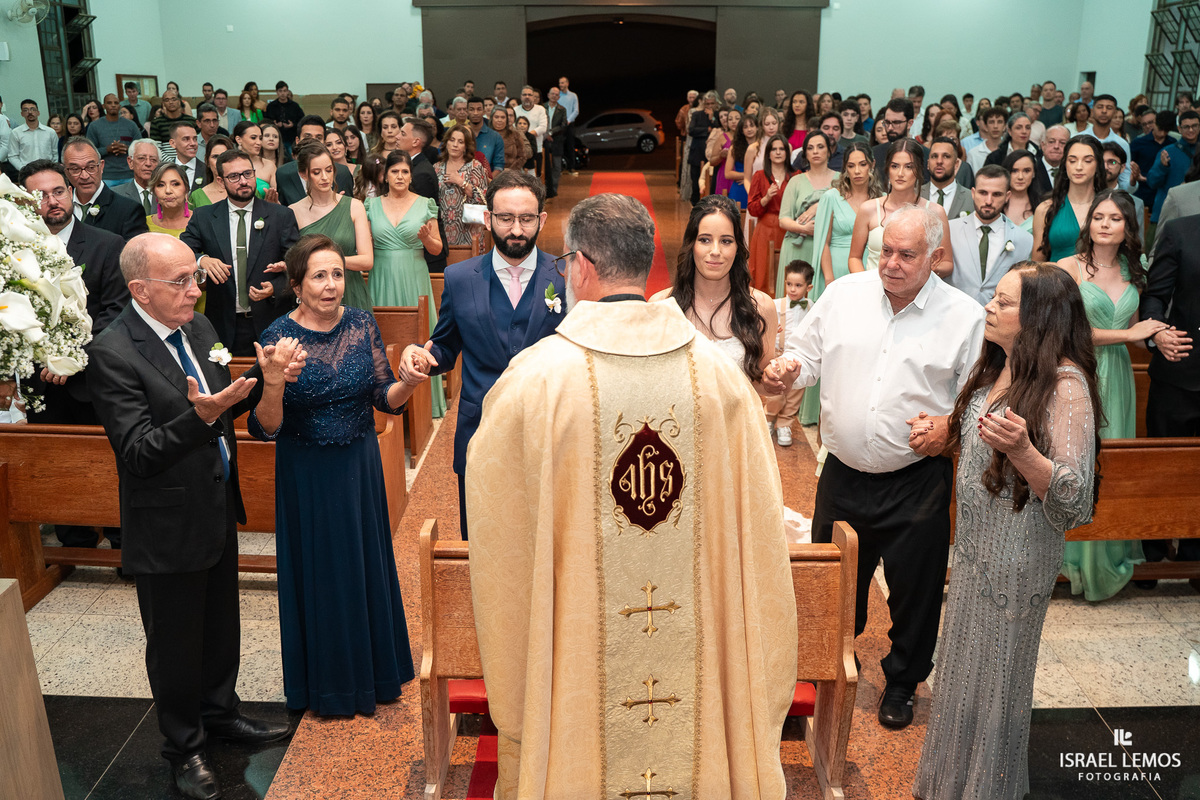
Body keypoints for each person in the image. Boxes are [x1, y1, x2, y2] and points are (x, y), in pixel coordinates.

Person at [464, 192, 797, 800]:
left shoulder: (536, 381)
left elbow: (497, 524)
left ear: (581, 267)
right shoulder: (719, 380)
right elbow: (758, 529)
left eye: (565, 264)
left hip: (578, 658)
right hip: (700, 660)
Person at [88, 233, 297, 800]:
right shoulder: (113, 351)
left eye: (194, 276)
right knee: (175, 641)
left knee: (219, 625)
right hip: (164, 520)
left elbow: (224, 400)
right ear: (139, 290)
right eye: (178, 281)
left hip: (214, 502)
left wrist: (268, 379)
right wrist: (202, 418)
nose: (194, 289)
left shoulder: (199, 329)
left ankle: (221, 714)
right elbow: (137, 452)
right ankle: (184, 747)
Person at [769, 204, 986, 730]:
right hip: (842, 475)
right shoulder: (846, 294)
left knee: (915, 592)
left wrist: (948, 429)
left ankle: (903, 682)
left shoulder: (964, 316)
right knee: (832, 583)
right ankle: (823, 672)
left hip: (916, 481)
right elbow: (809, 352)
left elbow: (976, 402)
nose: (890, 262)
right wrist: (792, 366)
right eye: (884, 249)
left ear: (935, 257)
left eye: (906, 254)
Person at [909, 261, 1099, 799]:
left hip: (1018, 558)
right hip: (972, 551)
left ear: (1039, 316)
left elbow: (1074, 500)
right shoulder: (998, 366)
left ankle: (988, 789)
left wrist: (1024, 452)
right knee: (962, 675)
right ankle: (950, 785)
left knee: (997, 684)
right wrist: (943, 430)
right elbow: (977, 435)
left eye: (1006, 301)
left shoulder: (1067, 386)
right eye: (995, 297)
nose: (990, 306)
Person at [247, 233, 416, 718]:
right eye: (319, 276)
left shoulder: (362, 323)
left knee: (364, 567)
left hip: (358, 466)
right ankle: (327, 685)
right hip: (308, 473)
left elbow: (384, 398)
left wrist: (409, 382)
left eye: (337, 274)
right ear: (296, 285)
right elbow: (264, 427)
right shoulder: (279, 337)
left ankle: (377, 674)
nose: (331, 284)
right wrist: (275, 383)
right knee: (321, 574)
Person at [397, 170, 563, 539]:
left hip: (548, 431)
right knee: (482, 541)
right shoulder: (460, 278)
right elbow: (445, 346)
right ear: (488, 218)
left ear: (541, 220)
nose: (516, 229)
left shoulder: (564, 275)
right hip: (479, 429)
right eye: (505, 218)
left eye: (526, 219)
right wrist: (421, 356)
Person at [1051, 190, 1157, 600]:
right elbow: (1066, 333)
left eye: (1114, 218)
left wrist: (1157, 337)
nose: (1105, 224)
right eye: (1098, 217)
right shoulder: (1068, 268)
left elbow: (1137, 328)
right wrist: (1129, 335)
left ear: (1129, 227)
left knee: (1112, 461)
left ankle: (1108, 549)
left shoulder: (1136, 270)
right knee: (1077, 459)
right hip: (1080, 373)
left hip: (1121, 377)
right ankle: (1073, 556)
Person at [651, 194, 777, 388]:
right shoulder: (661, 305)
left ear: (737, 248)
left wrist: (781, 377)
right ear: (691, 244)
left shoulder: (761, 306)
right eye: (705, 240)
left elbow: (763, 387)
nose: (716, 251)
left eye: (726, 241)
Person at [181, 149, 300, 354]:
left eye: (248, 174)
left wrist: (275, 287)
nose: (243, 181)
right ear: (220, 181)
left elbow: (297, 264)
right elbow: (182, 252)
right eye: (234, 176)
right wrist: (202, 260)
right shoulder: (204, 216)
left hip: (271, 318)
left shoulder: (282, 216)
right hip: (222, 322)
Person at [1138, 203, 1199, 572]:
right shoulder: (1180, 230)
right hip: (1179, 370)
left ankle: (1194, 560)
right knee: (1161, 470)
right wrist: (1158, 332)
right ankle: (1154, 557)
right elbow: (1155, 295)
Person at [364, 150, 445, 416]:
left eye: (405, 172)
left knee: (417, 336)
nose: (400, 176)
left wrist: (425, 239)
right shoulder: (370, 206)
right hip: (381, 277)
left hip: (413, 276)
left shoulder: (425, 204)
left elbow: (437, 250)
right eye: (394, 171)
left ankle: (423, 407)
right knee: (384, 338)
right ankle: (384, 402)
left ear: (411, 176)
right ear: (385, 176)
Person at [290, 142, 374, 313]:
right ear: (303, 174)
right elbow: (294, 262)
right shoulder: (293, 211)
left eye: (329, 170)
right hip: (314, 295)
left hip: (351, 290)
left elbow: (367, 261)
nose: (324, 177)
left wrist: (328, 262)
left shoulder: (354, 206)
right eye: (316, 172)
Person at [850, 139, 952, 275]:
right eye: (895, 166)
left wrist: (921, 270)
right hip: (874, 288)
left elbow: (947, 263)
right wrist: (867, 285)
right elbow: (854, 257)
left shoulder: (935, 212)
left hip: (918, 290)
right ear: (887, 169)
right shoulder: (869, 209)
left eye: (909, 167)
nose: (900, 173)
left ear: (919, 169)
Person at [947, 164, 1034, 305]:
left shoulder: (1024, 240)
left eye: (996, 194)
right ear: (973, 193)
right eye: (983, 193)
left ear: (1007, 196)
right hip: (954, 315)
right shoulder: (950, 230)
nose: (988, 201)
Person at [777, 131, 837, 296]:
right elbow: (783, 219)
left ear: (829, 151)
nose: (815, 151)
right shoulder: (795, 181)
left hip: (828, 249)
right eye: (810, 148)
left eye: (820, 147)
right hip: (797, 247)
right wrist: (804, 229)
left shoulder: (840, 180)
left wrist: (819, 206)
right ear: (805, 153)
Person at [61, 136, 150, 242]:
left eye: (91, 167)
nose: (84, 176)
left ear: (101, 166)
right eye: (75, 169)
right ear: (65, 171)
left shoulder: (128, 210)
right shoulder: (59, 207)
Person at [1033, 135, 1106, 261]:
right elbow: (1037, 264)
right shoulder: (1046, 209)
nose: (1078, 167)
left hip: (1099, 279)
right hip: (1056, 279)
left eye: (1087, 161)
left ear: (1098, 165)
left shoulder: (1109, 207)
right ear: (1065, 165)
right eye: (1072, 161)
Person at [765, 260, 813, 445]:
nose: (792, 289)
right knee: (776, 390)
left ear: (809, 287)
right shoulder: (776, 305)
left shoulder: (811, 307)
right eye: (789, 284)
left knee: (795, 393)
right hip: (779, 355)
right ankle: (769, 418)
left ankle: (785, 423)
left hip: (799, 358)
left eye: (798, 285)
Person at [747, 134, 793, 294]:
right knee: (762, 272)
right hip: (765, 230)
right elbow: (752, 208)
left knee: (787, 273)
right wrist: (766, 198)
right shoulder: (759, 176)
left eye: (782, 149)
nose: (778, 152)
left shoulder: (796, 176)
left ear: (787, 152)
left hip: (789, 230)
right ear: (768, 154)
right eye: (774, 149)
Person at [436, 126, 488, 246]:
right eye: (452, 140)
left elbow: (483, 198)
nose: (455, 145)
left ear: (466, 147)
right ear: (446, 143)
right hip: (443, 230)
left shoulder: (475, 166)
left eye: (460, 142)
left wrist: (461, 183)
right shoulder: (437, 168)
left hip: (469, 230)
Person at [1146, 109, 1200, 225]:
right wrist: (1162, 167)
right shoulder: (1167, 152)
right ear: (1179, 129)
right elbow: (1152, 182)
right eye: (1186, 127)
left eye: (1194, 126)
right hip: (1167, 215)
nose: (1191, 130)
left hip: (1195, 215)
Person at [86, 94, 142, 187]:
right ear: (104, 106)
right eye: (109, 103)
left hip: (129, 174)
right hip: (106, 176)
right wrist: (107, 149)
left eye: (116, 103)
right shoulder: (94, 126)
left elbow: (141, 148)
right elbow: (89, 152)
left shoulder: (131, 125)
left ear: (119, 106)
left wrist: (127, 148)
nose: (113, 105)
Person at [922, 137, 973, 220]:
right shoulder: (915, 195)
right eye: (934, 156)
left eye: (946, 156)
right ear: (928, 163)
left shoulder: (971, 199)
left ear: (956, 164)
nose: (939, 161)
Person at [8, 99, 58, 172]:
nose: (30, 112)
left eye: (33, 109)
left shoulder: (50, 132)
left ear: (38, 113)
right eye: (26, 110)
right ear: (22, 114)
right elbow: (13, 156)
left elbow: (55, 153)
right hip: (26, 173)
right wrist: (23, 169)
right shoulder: (16, 133)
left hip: (48, 171)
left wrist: (52, 168)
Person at [114, 138, 162, 215]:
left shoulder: (166, 194)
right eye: (141, 158)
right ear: (130, 162)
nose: (148, 163)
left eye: (153, 159)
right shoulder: (116, 195)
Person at [1101, 142, 1145, 222]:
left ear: (1122, 167)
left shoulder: (1135, 204)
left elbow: (1137, 234)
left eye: (1112, 162)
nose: (1105, 167)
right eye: (1101, 162)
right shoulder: (1083, 199)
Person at [145, 163, 193, 238]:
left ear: (186, 189)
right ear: (154, 191)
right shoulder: (145, 224)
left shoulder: (201, 222)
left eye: (175, 184)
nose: (168, 191)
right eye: (161, 185)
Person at [187, 134, 234, 210]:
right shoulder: (196, 196)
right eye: (215, 157)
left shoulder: (247, 190)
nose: (220, 161)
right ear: (207, 161)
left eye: (225, 156)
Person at [687, 91, 718, 203]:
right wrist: (706, 130)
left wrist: (712, 119)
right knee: (696, 184)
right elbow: (691, 130)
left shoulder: (718, 116)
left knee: (710, 184)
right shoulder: (696, 114)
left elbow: (720, 130)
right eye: (707, 104)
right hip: (697, 153)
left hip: (712, 155)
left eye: (712, 104)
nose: (709, 106)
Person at [232, 121, 277, 193]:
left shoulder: (269, 165)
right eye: (253, 138)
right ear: (238, 139)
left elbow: (277, 196)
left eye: (260, 138)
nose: (259, 142)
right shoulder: (229, 164)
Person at [724, 112, 758, 209]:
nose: (749, 129)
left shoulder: (762, 146)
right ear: (742, 131)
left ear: (758, 128)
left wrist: (750, 178)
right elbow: (727, 173)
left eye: (752, 126)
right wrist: (747, 176)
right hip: (739, 187)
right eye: (745, 127)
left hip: (757, 186)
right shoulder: (734, 148)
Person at [465, 97, 504, 174]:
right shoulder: (461, 134)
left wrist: (488, 181)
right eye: (472, 109)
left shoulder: (495, 137)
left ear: (484, 112)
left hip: (488, 180)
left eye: (479, 109)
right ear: (467, 112)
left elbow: (499, 165)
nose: (475, 113)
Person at [264, 81, 305, 155]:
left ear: (288, 92)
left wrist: (293, 125)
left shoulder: (294, 106)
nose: (283, 93)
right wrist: (274, 125)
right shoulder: (271, 106)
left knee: (292, 158)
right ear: (277, 92)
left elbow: (302, 120)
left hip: (291, 137)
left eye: (285, 91)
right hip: (275, 137)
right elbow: (266, 121)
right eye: (280, 91)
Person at [490, 106, 530, 175]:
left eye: (503, 117)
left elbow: (522, 156)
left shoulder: (515, 135)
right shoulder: (485, 135)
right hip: (489, 173)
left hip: (511, 174)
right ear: (492, 118)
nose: (499, 120)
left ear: (506, 119)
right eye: (496, 117)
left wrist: (511, 170)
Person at [543, 87, 567, 197]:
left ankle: (554, 189)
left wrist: (551, 133)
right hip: (544, 140)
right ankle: (545, 190)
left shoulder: (562, 109)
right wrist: (546, 134)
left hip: (557, 141)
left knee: (557, 166)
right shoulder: (542, 107)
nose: (554, 96)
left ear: (559, 97)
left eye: (556, 94)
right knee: (546, 165)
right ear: (548, 95)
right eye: (552, 94)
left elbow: (563, 125)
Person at [168, 121, 204, 192]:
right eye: (186, 139)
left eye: (195, 139)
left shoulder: (207, 171)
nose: (193, 143)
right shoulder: (164, 171)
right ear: (173, 143)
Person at [557, 76, 580, 174]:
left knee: (570, 145)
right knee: (559, 145)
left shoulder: (573, 95)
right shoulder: (558, 95)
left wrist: (568, 120)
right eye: (559, 83)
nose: (561, 85)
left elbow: (576, 110)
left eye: (562, 83)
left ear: (567, 83)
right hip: (560, 123)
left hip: (570, 123)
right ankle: (560, 167)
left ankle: (571, 167)